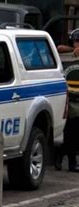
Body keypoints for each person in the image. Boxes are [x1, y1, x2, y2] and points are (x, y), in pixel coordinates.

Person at [55, 29, 79, 172]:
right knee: (71, 132)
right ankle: (71, 162)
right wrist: (73, 50)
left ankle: (61, 152)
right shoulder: (66, 56)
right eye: (76, 41)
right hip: (69, 100)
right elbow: (58, 49)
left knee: (75, 134)